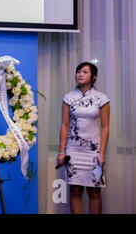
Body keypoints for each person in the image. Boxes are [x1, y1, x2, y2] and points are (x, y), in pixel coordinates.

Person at [57, 61, 110, 214]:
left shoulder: (102, 98)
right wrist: (62, 152)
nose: (80, 74)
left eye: (85, 72)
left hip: (94, 152)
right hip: (73, 151)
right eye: (78, 71)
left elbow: (105, 127)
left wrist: (102, 153)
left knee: (94, 192)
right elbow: (64, 125)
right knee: (75, 191)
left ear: (94, 77)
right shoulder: (69, 97)